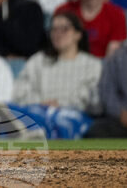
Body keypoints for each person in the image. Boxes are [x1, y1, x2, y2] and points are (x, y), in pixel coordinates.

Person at [11, 11, 102, 139]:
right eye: (54, 29)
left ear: (78, 34)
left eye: (64, 29)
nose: (58, 34)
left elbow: (91, 99)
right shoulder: (38, 61)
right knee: (8, 108)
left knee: (65, 120)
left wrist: (59, 105)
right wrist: (41, 103)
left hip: (70, 114)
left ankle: (40, 132)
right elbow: (20, 91)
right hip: (37, 110)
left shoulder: (92, 65)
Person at [85, 41, 127, 138]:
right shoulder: (118, 56)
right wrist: (122, 113)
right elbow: (107, 93)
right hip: (122, 119)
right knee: (97, 131)